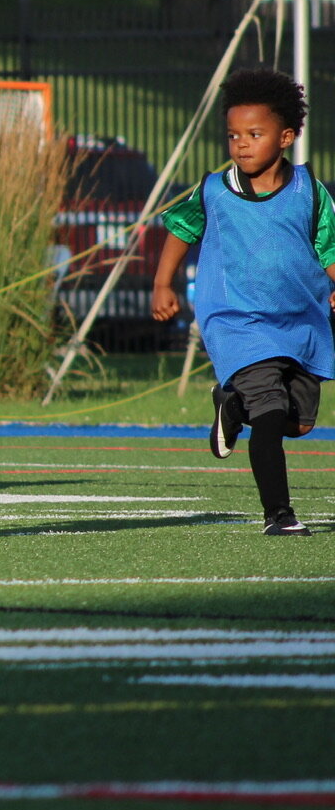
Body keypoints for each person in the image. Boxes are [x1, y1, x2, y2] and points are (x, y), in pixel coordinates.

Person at [151, 69, 332, 536]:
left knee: (296, 421)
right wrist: (162, 284)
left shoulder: (310, 192)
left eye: (255, 134)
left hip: (299, 322)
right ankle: (279, 514)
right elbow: (180, 229)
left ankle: (231, 405)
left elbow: (329, 251)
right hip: (236, 321)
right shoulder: (214, 189)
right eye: (234, 135)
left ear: (287, 136)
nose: (242, 144)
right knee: (269, 413)